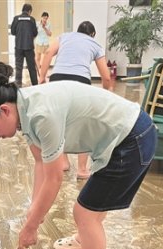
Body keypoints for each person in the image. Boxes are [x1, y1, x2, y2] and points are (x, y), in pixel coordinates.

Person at [0, 63, 157, 249]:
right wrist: (34, 211)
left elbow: (54, 177)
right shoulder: (24, 108)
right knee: (93, 205)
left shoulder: (41, 115)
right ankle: (84, 241)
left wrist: (31, 227)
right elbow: (40, 163)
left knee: (85, 213)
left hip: (131, 139)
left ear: (4, 110)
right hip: (121, 136)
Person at [39, 21, 112, 180]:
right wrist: (107, 92)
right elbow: (106, 77)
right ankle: (82, 169)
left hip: (57, 78)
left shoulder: (64, 37)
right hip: (81, 81)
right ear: (92, 34)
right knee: (83, 124)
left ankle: (63, 162)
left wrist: (42, 77)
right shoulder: (94, 44)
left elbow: (49, 52)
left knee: (60, 121)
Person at [10, 4, 38, 87]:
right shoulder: (32, 19)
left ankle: (18, 86)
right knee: (31, 68)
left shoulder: (16, 18)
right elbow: (35, 33)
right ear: (29, 11)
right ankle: (35, 85)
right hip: (29, 47)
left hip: (18, 47)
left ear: (22, 10)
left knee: (18, 67)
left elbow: (12, 32)